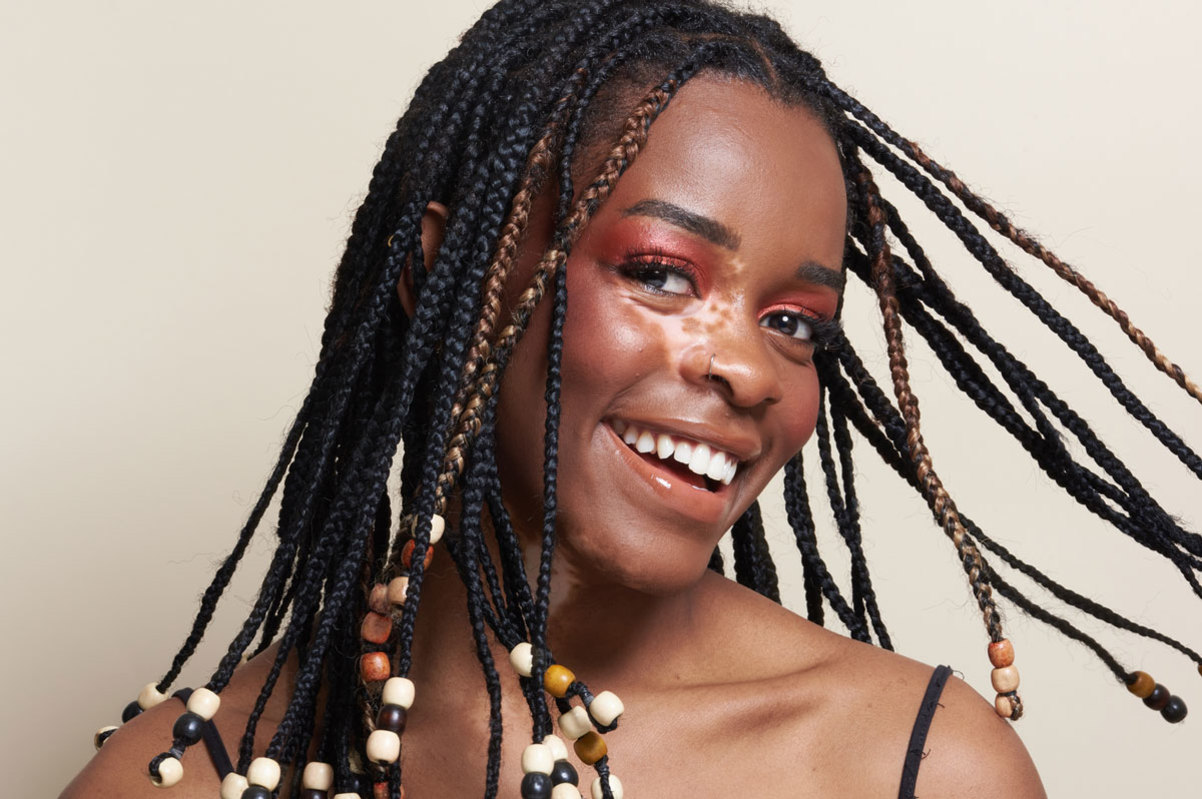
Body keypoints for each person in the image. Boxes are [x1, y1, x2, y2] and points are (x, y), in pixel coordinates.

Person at [57, 1, 1199, 797]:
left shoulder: (915, 767)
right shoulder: (176, 778)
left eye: (794, 323)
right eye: (660, 272)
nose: (747, 370)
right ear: (447, 278)